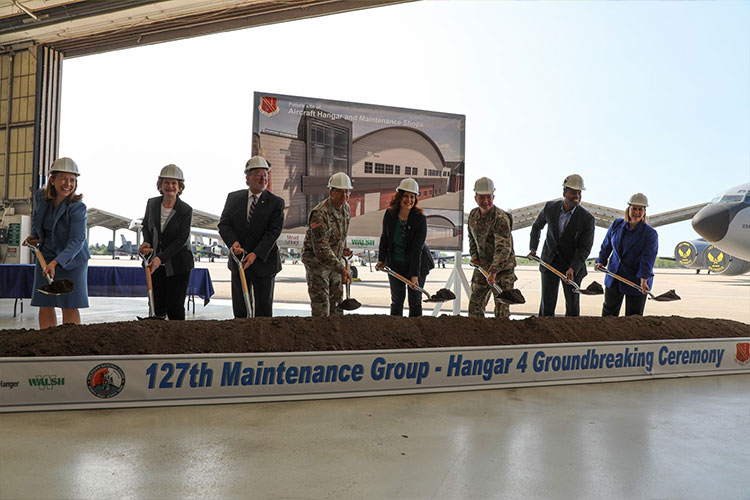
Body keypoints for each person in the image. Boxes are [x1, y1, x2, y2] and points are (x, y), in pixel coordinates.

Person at [25, 157, 91, 329]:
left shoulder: (77, 207)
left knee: (69, 303)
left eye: (72, 180)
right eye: (63, 179)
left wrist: (56, 262)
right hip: (45, 257)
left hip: (71, 260)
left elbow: (77, 240)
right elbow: (37, 220)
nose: (68, 184)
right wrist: (33, 236)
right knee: (45, 302)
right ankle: (48, 342)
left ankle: (69, 343)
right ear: (52, 180)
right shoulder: (41, 197)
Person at [218, 156, 285, 318]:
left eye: (265, 175)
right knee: (240, 309)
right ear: (247, 178)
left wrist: (255, 254)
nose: (263, 178)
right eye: (258, 175)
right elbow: (224, 224)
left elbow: (273, 232)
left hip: (264, 262)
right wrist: (234, 243)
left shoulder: (276, 203)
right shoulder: (234, 198)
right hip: (239, 262)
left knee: (263, 311)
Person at [529, 174, 595, 317]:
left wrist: (573, 268)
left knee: (572, 305)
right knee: (547, 304)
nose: (577, 196)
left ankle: (571, 330)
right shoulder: (550, 208)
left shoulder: (587, 219)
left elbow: (585, 248)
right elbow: (536, 227)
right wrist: (533, 248)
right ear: (564, 192)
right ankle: (544, 328)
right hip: (549, 262)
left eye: (579, 193)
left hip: (572, 265)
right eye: (573, 192)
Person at [138, 164, 194, 320]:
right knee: (158, 306)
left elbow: (181, 239)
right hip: (155, 264)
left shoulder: (185, 210)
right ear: (160, 185)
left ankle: (177, 335)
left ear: (180, 187)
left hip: (178, 265)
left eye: (174, 183)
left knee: (175, 307)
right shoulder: (152, 204)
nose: (170, 186)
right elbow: (146, 226)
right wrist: (147, 242)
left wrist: (160, 259)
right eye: (166, 182)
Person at [375, 178, 435, 317]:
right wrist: (381, 259)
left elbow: (417, 249)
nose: (409, 200)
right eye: (406, 196)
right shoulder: (390, 214)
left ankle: (417, 329)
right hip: (396, 263)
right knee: (397, 300)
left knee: (415, 301)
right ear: (399, 197)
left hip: (417, 264)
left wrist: (414, 275)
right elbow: (385, 238)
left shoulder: (420, 218)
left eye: (412, 197)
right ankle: (395, 328)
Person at [596, 193, 658, 316]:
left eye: (640, 209)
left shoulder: (650, 234)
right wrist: (601, 261)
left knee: (633, 316)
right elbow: (607, 244)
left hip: (637, 280)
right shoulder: (616, 225)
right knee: (609, 313)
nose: (637, 212)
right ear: (628, 209)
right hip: (614, 275)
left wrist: (644, 279)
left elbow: (648, 258)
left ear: (644, 212)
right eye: (634, 208)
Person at [302, 172, 353, 317]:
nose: (344, 196)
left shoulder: (346, 209)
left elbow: (341, 234)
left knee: (337, 304)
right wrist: (341, 268)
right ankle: (320, 331)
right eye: (340, 192)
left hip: (334, 262)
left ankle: (337, 331)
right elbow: (321, 249)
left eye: (347, 192)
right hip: (317, 264)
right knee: (322, 306)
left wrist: (342, 248)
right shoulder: (319, 214)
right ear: (331, 192)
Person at [467, 177, 518, 318]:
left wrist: (494, 271)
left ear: (493, 197)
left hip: (502, 270)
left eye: (488, 197)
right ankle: (476, 330)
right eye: (481, 197)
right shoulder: (473, 215)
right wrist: (474, 257)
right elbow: (471, 238)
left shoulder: (500, 218)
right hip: (482, 266)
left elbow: (503, 248)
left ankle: (502, 332)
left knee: (502, 310)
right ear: (475, 198)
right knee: (475, 305)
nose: (485, 201)